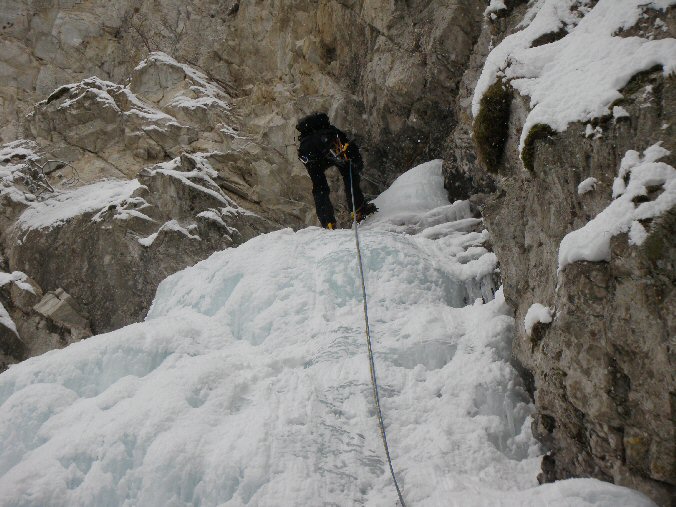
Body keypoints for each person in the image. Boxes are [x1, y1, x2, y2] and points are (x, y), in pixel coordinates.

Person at [296, 113, 377, 229]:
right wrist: (357, 165)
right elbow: (350, 147)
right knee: (349, 175)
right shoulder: (330, 131)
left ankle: (328, 222)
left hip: (309, 154)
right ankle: (357, 209)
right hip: (329, 149)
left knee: (320, 188)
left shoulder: (305, 138)